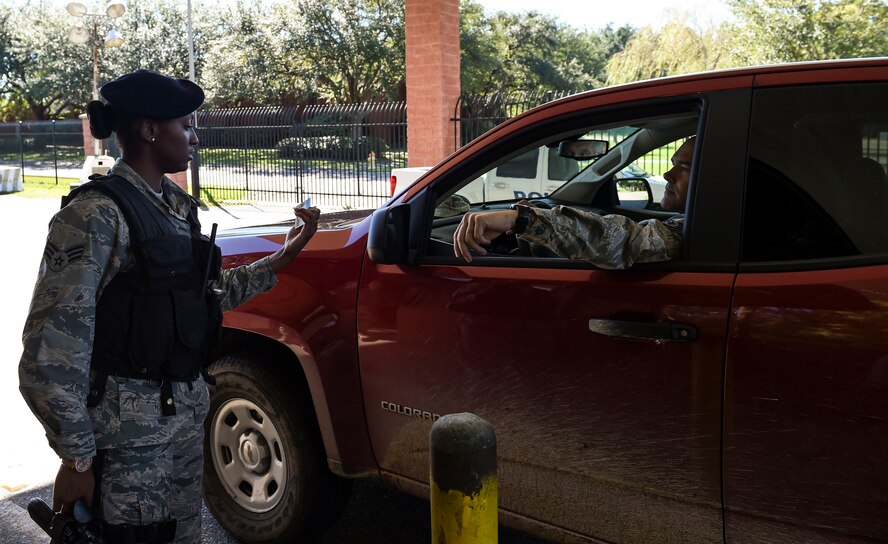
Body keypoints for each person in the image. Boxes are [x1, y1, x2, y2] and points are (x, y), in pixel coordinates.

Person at [18, 70, 320, 543]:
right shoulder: (95, 215)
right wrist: (76, 458)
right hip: (127, 444)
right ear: (149, 130)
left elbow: (205, 299)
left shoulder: (176, 207)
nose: (195, 136)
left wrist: (285, 256)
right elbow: (52, 349)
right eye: (186, 124)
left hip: (181, 427)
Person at [453, 137, 695, 268]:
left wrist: (523, 219)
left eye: (684, 167)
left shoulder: (698, 231)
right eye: (673, 163)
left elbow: (621, 240)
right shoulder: (702, 223)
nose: (667, 174)